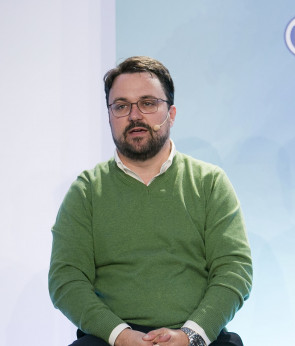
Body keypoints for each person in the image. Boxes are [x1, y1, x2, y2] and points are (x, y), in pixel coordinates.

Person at [48, 56, 252, 346]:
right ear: (109, 116)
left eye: (148, 103)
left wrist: (191, 335)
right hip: (111, 340)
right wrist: (121, 336)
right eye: (121, 106)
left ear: (171, 113)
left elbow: (234, 270)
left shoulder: (209, 183)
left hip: (198, 337)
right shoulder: (86, 191)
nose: (134, 116)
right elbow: (66, 279)